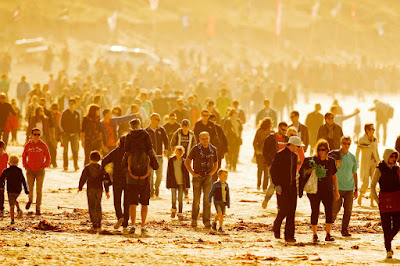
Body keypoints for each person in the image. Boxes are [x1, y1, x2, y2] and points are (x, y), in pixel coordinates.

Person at [299, 139, 340, 243]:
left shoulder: (331, 161)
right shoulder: (311, 160)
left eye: (323, 150)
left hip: (328, 190)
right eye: (319, 150)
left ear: (327, 150)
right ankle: (314, 234)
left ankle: (328, 234)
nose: (321, 152)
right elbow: (303, 172)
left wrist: (337, 191)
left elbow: (334, 177)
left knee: (329, 211)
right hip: (314, 191)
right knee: (315, 211)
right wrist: (312, 169)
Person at [271, 136, 303, 243]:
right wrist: (277, 185)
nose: (299, 149)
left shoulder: (294, 156)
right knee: (284, 210)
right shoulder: (279, 155)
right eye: (298, 146)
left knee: (292, 212)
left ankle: (289, 236)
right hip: (282, 187)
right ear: (292, 145)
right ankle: (276, 227)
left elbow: (294, 173)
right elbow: (273, 171)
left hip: (292, 188)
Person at [370, 149, 400, 259]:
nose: (393, 159)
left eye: (394, 156)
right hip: (384, 201)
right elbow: (372, 186)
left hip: (397, 201)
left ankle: (388, 239)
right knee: (386, 227)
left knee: (397, 226)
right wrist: (377, 201)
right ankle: (388, 249)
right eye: (391, 156)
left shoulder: (397, 169)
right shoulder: (380, 169)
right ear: (387, 157)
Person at [185, 131, 219, 229]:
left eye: (206, 138)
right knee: (196, 200)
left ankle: (206, 221)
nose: (205, 140)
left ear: (209, 138)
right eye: (203, 139)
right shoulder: (195, 149)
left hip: (208, 177)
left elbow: (216, 163)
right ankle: (194, 219)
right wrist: (192, 173)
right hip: (197, 177)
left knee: (207, 200)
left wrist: (212, 173)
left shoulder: (213, 149)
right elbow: (187, 162)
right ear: (199, 139)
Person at [330, 136, 358, 237]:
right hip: (337, 187)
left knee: (348, 210)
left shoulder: (352, 157)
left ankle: (344, 230)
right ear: (341, 143)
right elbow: (330, 170)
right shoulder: (335, 155)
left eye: (348, 144)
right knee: (335, 209)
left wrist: (356, 189)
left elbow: (354, 173)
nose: (346, 145)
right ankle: (328, 227)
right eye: (345, 143)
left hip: (349, 188)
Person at [78, 151, 111, 232]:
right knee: (98, 204)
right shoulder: (101, 168)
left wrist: (80, 187)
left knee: (91, 205)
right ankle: (99, 222)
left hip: (90, 188)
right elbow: (106, 180)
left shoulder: (87, 168)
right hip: (99, 189)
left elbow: (83, 178)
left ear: (90, 158)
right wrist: (107, 191)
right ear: (99, 159)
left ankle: (94, 223)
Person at [102, 136, 130, 229]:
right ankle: (125, 222)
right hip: (128, 179)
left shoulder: (115, 152)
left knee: (117, 200)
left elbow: (104, 161)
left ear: (119, 142)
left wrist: (108, 171)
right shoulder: (130, 152)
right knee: (127, 201)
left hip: (117, 178)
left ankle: (120, 216)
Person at [125, 139, 152, 236]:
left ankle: (132, 225)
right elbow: (156, 166)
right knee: (144, 204)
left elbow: (123, 166)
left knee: (133, 203)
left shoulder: (129, 153)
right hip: (145, 181)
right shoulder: (149, 152)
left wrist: (131, 174)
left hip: (132, 181)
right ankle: (143, 226)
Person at [22, 128, 51, 215]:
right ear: (32, 135)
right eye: (35, 134)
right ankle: (30, 200)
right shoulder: (28, 145)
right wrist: (25, 166)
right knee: (30, 188)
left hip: (40, 170)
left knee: (39, 190)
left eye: (38, 134)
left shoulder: (43, 145)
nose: (37, 136)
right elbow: (24, 156)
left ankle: (38, 208)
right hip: (30, 170)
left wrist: (44, 166)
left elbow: (48, 157)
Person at [261, 122, 288, 209]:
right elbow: (265, 152)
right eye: (283, 130)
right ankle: (266, 199)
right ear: (278, 128)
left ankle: (279, 205)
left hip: (283, 166)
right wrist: (269, 163)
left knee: (282, 186)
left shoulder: (286, 139)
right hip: (273, 165)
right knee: (273, 184)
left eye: (285, 130)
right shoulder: (271, 138)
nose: (284, 132)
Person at [0, 155, 29, 224]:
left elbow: (1, 179)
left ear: (9, 162)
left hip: (10, 189)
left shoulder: (6, 170)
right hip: (18, 189)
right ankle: (18, 208)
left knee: (11, 204)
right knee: (13, 200)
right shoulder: (19, 170)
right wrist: (26, 189)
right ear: (17, 163)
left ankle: (12, 220)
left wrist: (1, 186)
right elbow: (23, 180)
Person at [356, 123, 379, 207]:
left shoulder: (375, 139)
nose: (373, 130)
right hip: (365, 162)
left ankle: (372, 201)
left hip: (374, 162)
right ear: (367, 130)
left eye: (373, 129)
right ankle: (360, 196)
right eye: (372, 129)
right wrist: (356, 161)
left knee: (373, 181)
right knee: (365, 181)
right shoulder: (362, 139)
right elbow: (357, 151)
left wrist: (379, 162)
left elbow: (376, 150)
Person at [146, 113, 169, 197]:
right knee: (150, 174)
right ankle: (151, 191)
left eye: (159, 119)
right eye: (157, 119)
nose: (159, 121)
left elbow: (166, 140)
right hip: (150, 156)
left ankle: (157, 187)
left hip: (159, 155)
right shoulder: (146, 130)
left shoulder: (161, 130)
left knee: (159, 175)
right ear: (151, 119)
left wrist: (166, 149)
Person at [166, 146, 190, 220]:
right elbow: (168, 173)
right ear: (175, 152)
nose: (178, 154)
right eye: (176, 152)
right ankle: (173, 210)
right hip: (173, 182)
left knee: (180, 198)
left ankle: (180, 212)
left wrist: (188, 185)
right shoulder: (171, 161)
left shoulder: (184, 162)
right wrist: (168, 184)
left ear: (182, 154)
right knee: (173, 197)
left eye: (180, 153)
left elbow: (187, 174)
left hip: (182, 183)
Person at [59, 99, 80, 171]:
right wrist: (63, 132)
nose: (71, 105)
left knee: (75, 150)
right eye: (70, 104)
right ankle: (65, 165)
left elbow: (78, 124)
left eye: (72, 104)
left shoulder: (77, 113)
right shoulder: (64, 112)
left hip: (74, 134)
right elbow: (60, 123)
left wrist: (78, 134)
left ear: (75, 104)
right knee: (65, 150)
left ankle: (76, 165)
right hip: (66, 134)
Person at [253, 117, 272, 191]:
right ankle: (258, 185)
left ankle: (264, 187)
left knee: (266, 171)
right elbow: (254, 142)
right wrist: (257, 150)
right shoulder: (259, 131)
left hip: (267, 155)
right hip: (259, 154)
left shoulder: (271, 132)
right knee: (260, 170)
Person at [209, 114, 228, 182]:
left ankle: (214, 181)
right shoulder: (207, 128)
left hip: (218, 152)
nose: (213, 121)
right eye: (211, 120)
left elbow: (224, 139)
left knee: (217, 167)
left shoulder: (219, 128)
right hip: (209, 152)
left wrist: (225, 150)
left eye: (214, 120)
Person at [0, 141, 8, 215]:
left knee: (1, 193)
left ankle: (1, 207)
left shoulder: (5, 156)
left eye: (1, 149)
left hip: (2, 177)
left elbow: (6, 166)